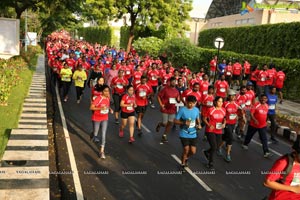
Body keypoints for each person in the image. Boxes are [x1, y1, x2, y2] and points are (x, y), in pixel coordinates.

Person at [174, 95, 201, 170]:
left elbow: (197, 119)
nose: (191, 105)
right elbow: (175, 121)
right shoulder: (182, 110)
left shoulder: (196, 110)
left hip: (193, 133)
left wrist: (199, 125)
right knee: (186, 149)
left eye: (193, 103)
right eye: (189, 103)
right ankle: (182, 164)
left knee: (193, 151)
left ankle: (186, 157)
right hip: (184, 133)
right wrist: (184, 123)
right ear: (186, 102)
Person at [90, 85, 113, 159]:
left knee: (103, 134)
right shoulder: (98, 98)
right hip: (96, 118)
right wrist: (100, 108)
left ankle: (101, 151)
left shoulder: (108, 98)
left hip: (104, 118)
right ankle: (93, 134)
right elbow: (91, 107)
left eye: (108, 91)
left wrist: (110, 109)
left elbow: (107, 106)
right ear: (102, 91)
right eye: (105, 91)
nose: (107, 93)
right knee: (95, 134)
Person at [203, 96, 226, 169]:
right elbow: (204, 118)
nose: (220, 103)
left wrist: (224, 124)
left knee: (217, 146)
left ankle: (207, 152)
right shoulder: (210, 109)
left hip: (219, 130)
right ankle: (210, 163)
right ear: (215, 102)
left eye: (222, 101)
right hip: (210, 130)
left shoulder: (223, 110)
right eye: (219, 101)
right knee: (213, 146)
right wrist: (209, 125)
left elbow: (225, 118)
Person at [156, 77, 180, 143]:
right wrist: (161, 104)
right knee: (165, 123)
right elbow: (158, 96)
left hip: (172, 109)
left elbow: (178, 100)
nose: (174, 83)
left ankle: (164, 135)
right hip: (165, 108)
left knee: (170, 123)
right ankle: (160, 124)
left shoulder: (177, 91)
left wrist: (178, 100)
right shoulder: (165, 89)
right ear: (170, 82)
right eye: (172, 81)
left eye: (175, 81)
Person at [219, 90, 239, 162]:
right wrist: (223, 122)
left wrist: (237, 116)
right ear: (229, 96)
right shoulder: (225, 104)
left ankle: (219, 147)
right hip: (226, 122)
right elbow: (222, 113)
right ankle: (228, 155)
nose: (233, 97)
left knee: (226, 137)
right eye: (232, 95)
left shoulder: (236, 104)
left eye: (234, 95)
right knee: (230, 137)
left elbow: (239, 111)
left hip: (233, 123)